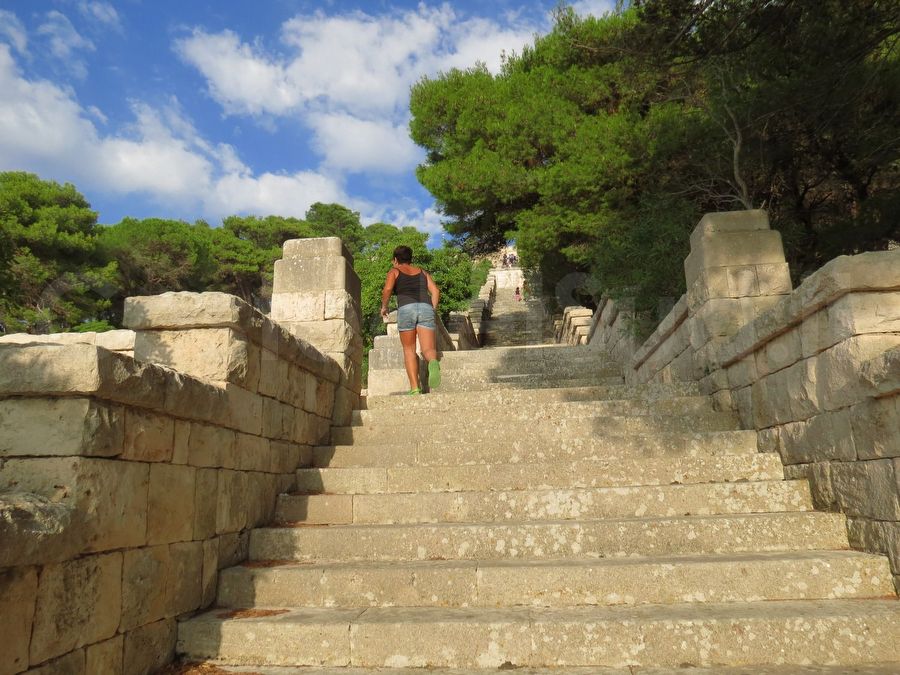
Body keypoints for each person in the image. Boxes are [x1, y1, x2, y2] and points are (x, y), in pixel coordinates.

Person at [380, 245, 441, 395]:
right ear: (410, 258)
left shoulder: (394, 271)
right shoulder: (422, 272)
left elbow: (387, 289)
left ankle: (415, 388)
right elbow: (435, 291)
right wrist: (431, 308)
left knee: (409, 350)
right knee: (428, 349)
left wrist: (384, 307)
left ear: (395, 260)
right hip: (425, 307)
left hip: (406, 309)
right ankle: (433, 362)